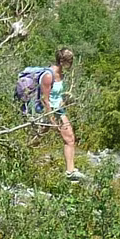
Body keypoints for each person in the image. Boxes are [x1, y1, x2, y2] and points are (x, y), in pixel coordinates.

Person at [35, 47, 81, 180]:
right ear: (62, 61)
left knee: (70, 138)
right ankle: (21, 156)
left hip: (58, 110)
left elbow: (57, 95)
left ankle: (70, 171)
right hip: (46, 112)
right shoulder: (48, 75)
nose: (70, 64)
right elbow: (45, 99)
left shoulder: (61, 75)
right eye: (69, 61)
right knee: (37, 137)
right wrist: (51, 120)